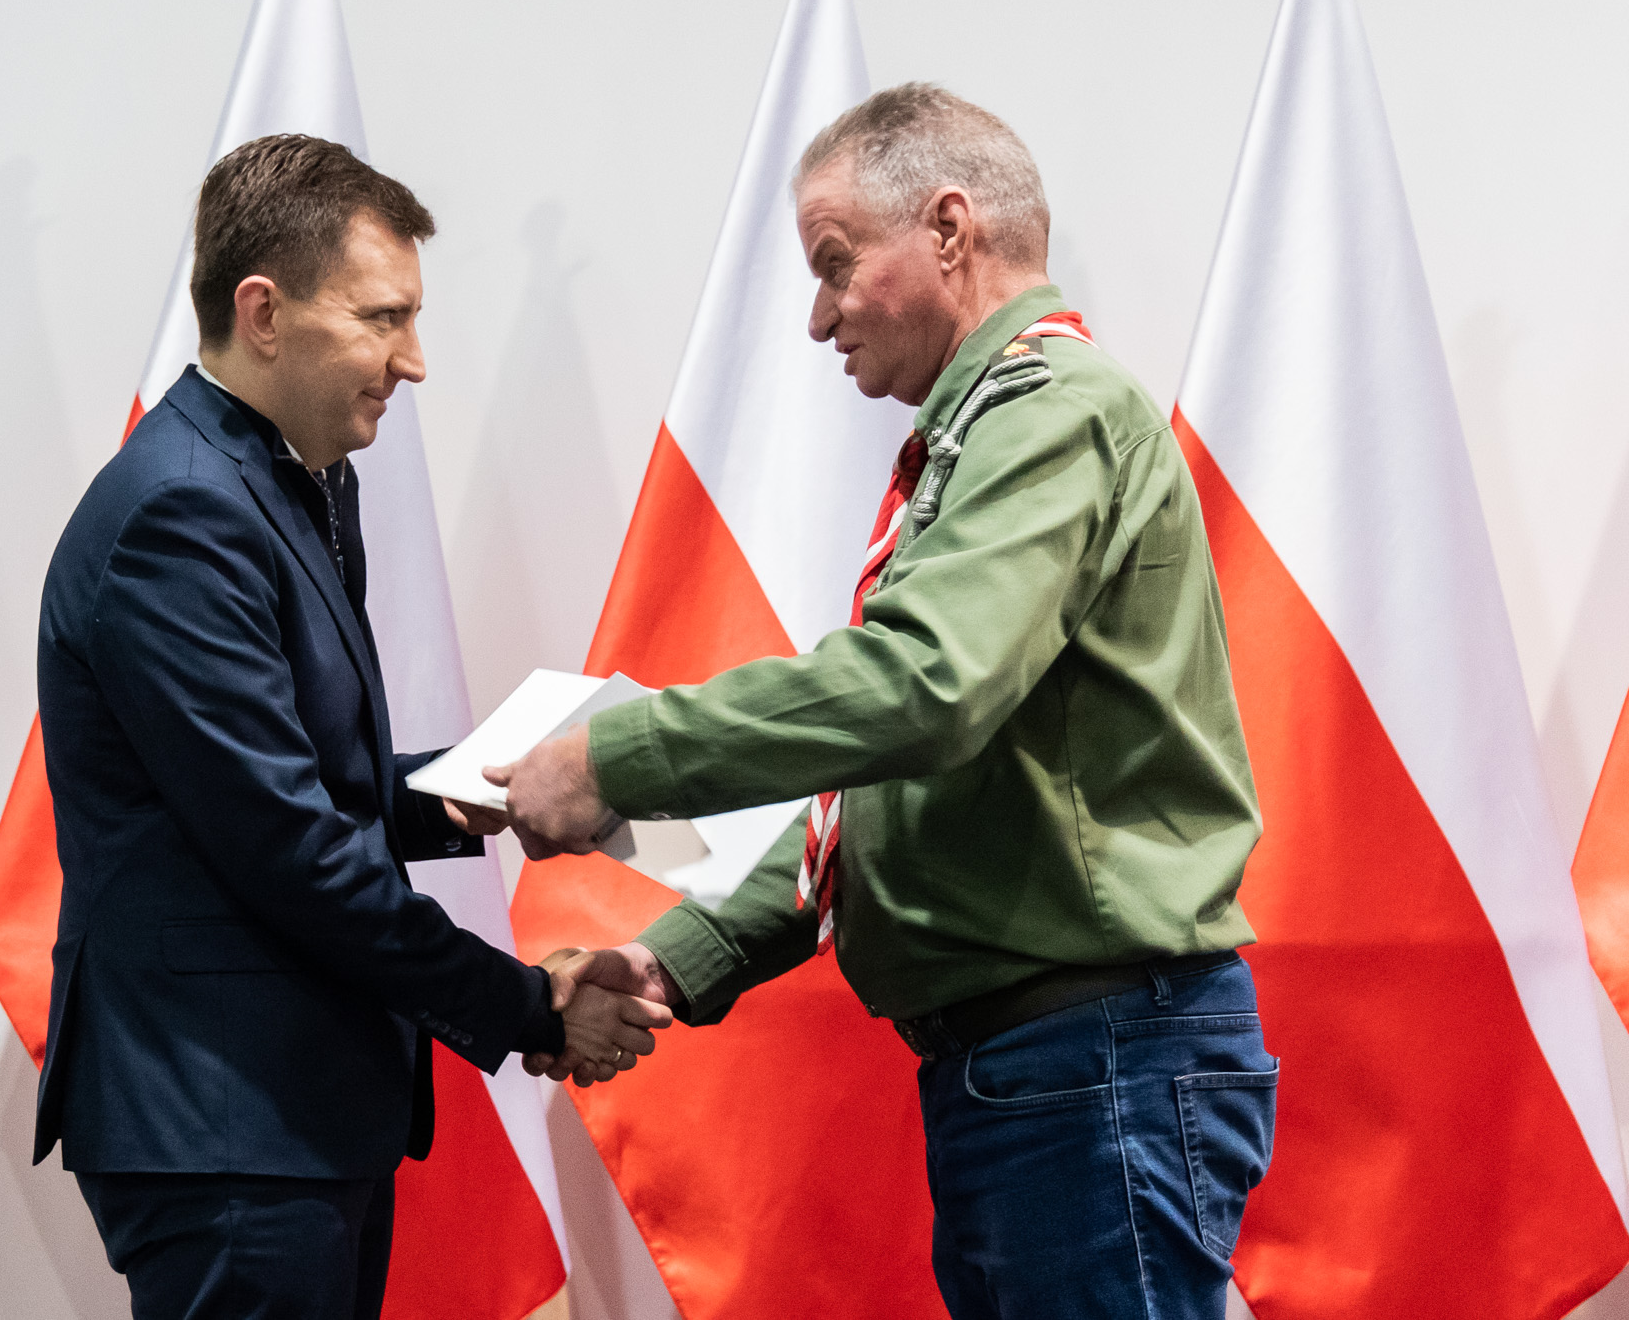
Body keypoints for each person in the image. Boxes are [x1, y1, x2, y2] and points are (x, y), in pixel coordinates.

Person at [493, 85, 1277, 1320]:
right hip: (1044, 1069)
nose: (817, 318)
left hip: (1090, 1061)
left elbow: (920, 691)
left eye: (833, 264)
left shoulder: (1050, 414)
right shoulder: (985, 437)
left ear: (949, 230)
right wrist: (670, 962)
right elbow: (886, 792)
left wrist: (612, 759)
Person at [32, 133, 670, 1320]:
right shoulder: (183, 514)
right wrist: (528, 1006)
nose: (411, 362)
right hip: (228, 1119)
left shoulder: (286, 481)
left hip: (285, 1114)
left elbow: (309, 781)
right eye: (382, 318)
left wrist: (493, 786)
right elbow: (289, 847)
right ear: (262, 313)